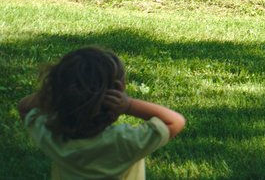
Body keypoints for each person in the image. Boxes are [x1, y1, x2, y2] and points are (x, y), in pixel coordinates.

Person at [18, 46, 186, 179]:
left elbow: (25, 107)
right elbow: (175, 121)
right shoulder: (125, 142)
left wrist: (56, 92)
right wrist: (129, 105)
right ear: (114, 95)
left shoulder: (52, 136)